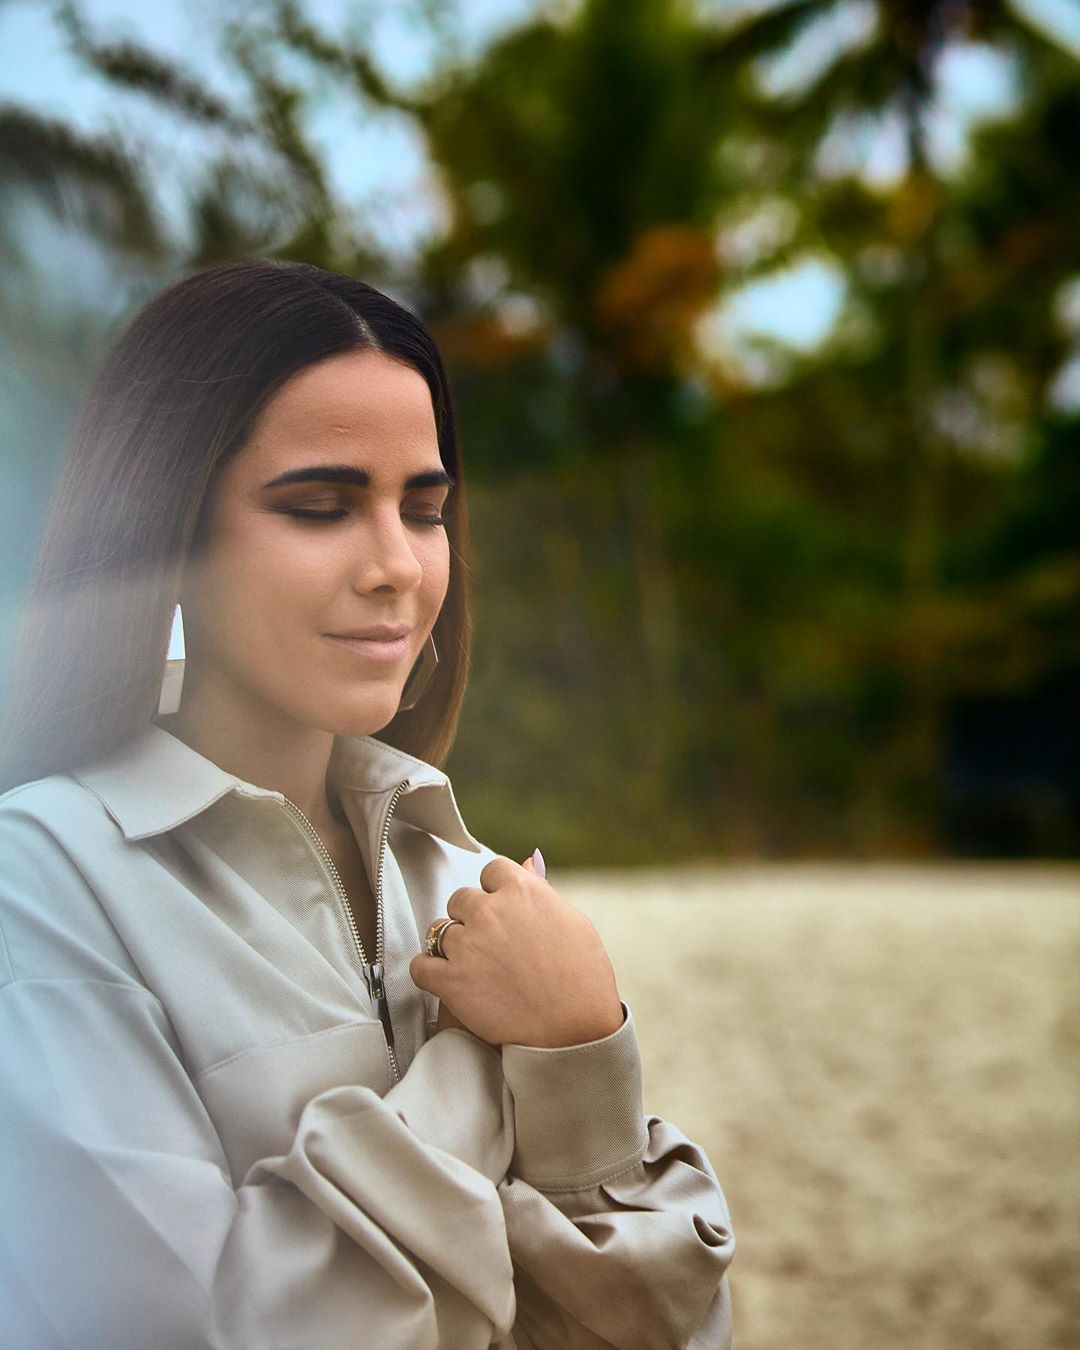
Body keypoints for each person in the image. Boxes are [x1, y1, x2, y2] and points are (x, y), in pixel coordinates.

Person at [0, 258, 734, 1348]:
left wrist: (582, 1054)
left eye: (424, 509)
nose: (397, 564)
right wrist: (500, 1059)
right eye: (320, 506)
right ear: (165, 534)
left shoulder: (455, 870)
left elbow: (660, 1325)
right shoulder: (43, 879)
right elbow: (199, 1325)